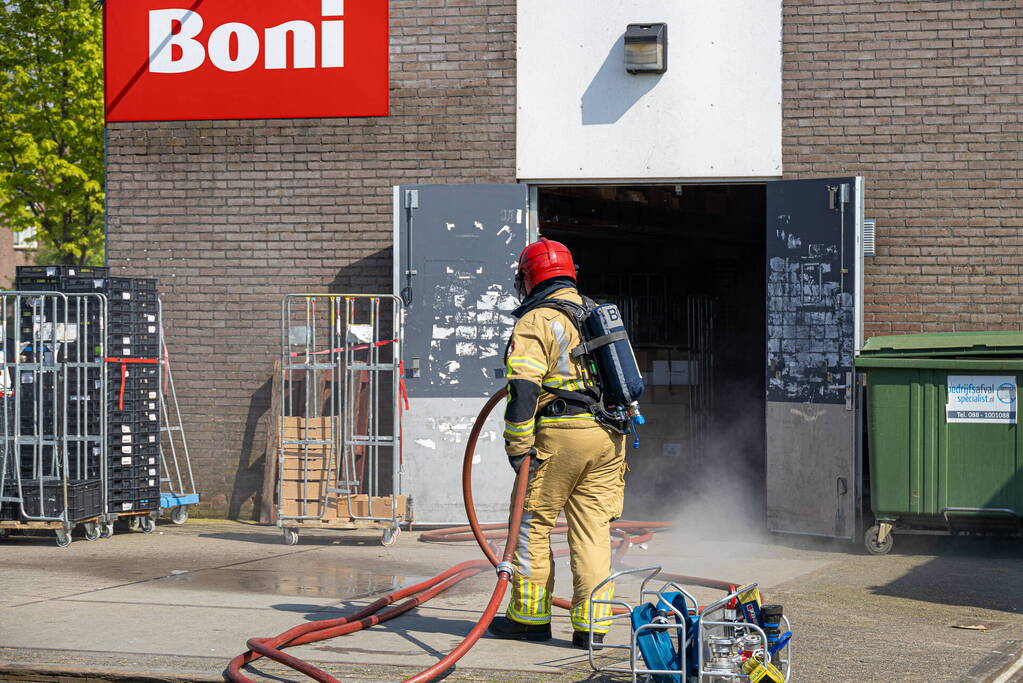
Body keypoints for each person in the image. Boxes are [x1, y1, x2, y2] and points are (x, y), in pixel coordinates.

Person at [487, 237, 627, 649]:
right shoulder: (594, 312)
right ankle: (592, 629)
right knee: (593, 532)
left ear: (528, 278)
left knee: (531, 526)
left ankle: (529, 620)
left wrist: (518, 446)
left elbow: (524, 389)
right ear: (571, 273)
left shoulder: (536, 320)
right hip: (608, 437)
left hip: (561, 437)